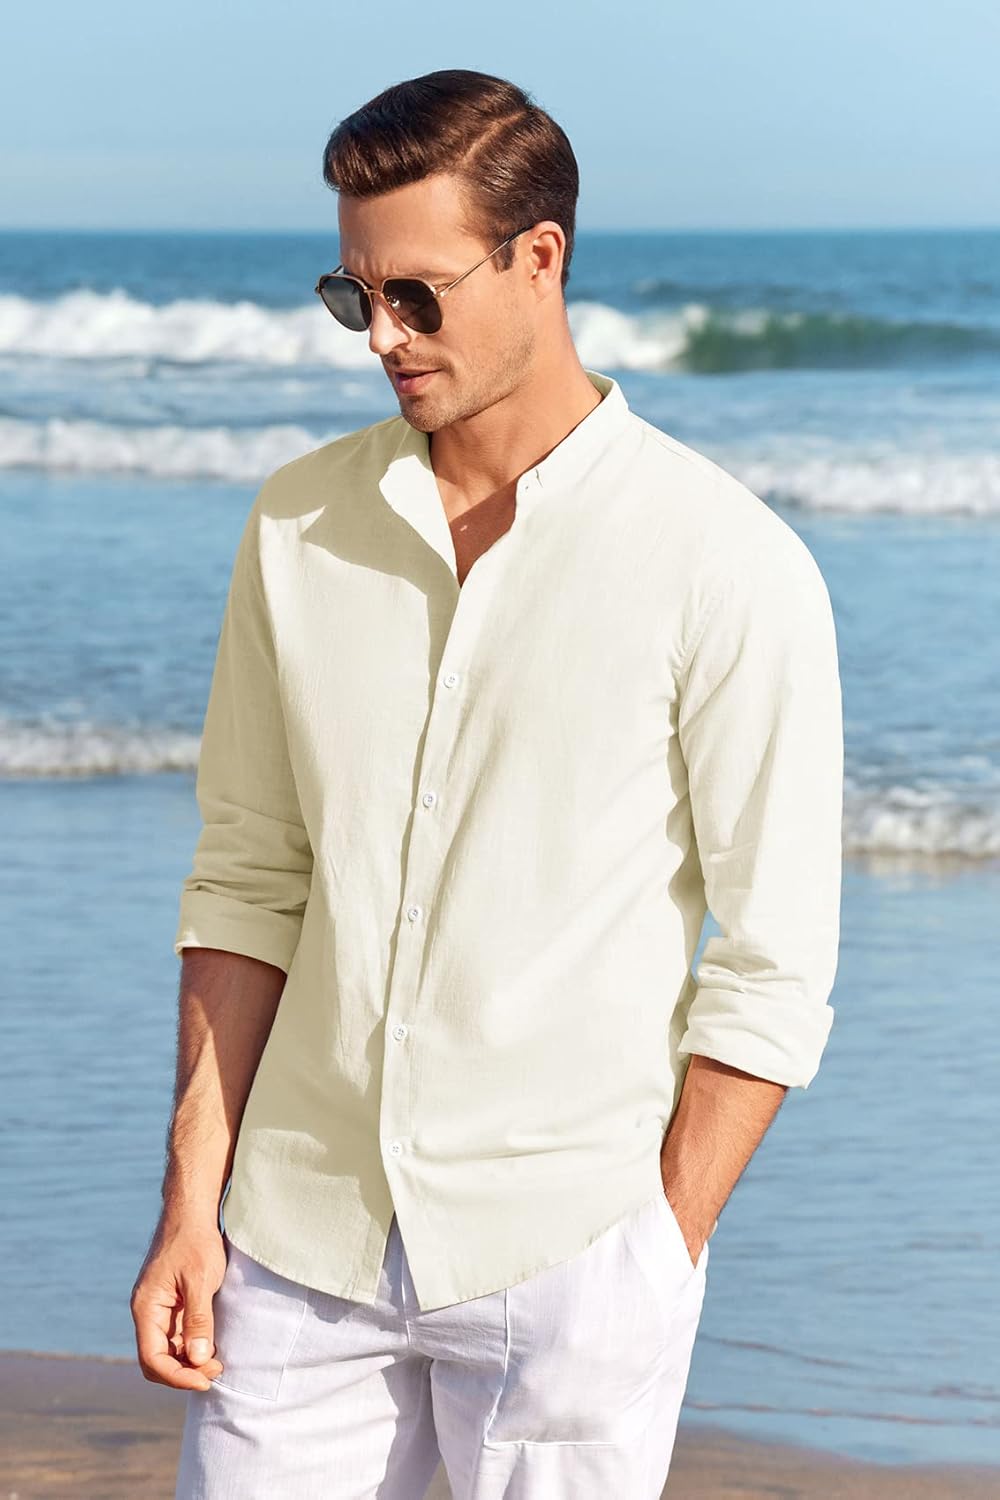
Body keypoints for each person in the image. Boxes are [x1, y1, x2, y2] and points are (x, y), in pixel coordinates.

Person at [130, 67, 844, 1500]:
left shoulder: (724, 561)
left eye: (418, 295)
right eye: (353, 296)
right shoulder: (298, 525)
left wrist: (660, 1247)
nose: (382, 337)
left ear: (541, 257)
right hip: (296, 1249)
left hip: (568, 1257)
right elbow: (252, 878)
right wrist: (191, 1203)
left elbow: (774, 961)